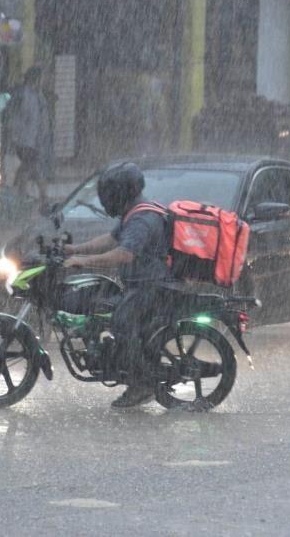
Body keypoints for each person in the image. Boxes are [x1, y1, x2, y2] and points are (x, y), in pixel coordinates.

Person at [63, 163, 181, 408]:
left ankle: (142, 384)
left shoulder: (142, 219)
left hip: (150, 287)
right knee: (104, 309)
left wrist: (83, 262)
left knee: (121, 323)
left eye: (109, 194)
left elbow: (123, 254)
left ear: (121, 193)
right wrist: (76, 249)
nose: (106, 200)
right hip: (141, 284)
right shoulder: (135, 211)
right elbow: (109, 239)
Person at [8, 66, 52, 212]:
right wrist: (15, 136)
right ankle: (39, 197)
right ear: (36, 78)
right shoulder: (23, 95)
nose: (44, 80)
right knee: (31, 167)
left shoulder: (38, 95)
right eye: (42, 77)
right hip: (26, 140)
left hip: (35, 140)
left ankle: (29, 195)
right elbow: (17, 117)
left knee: (31, 168)